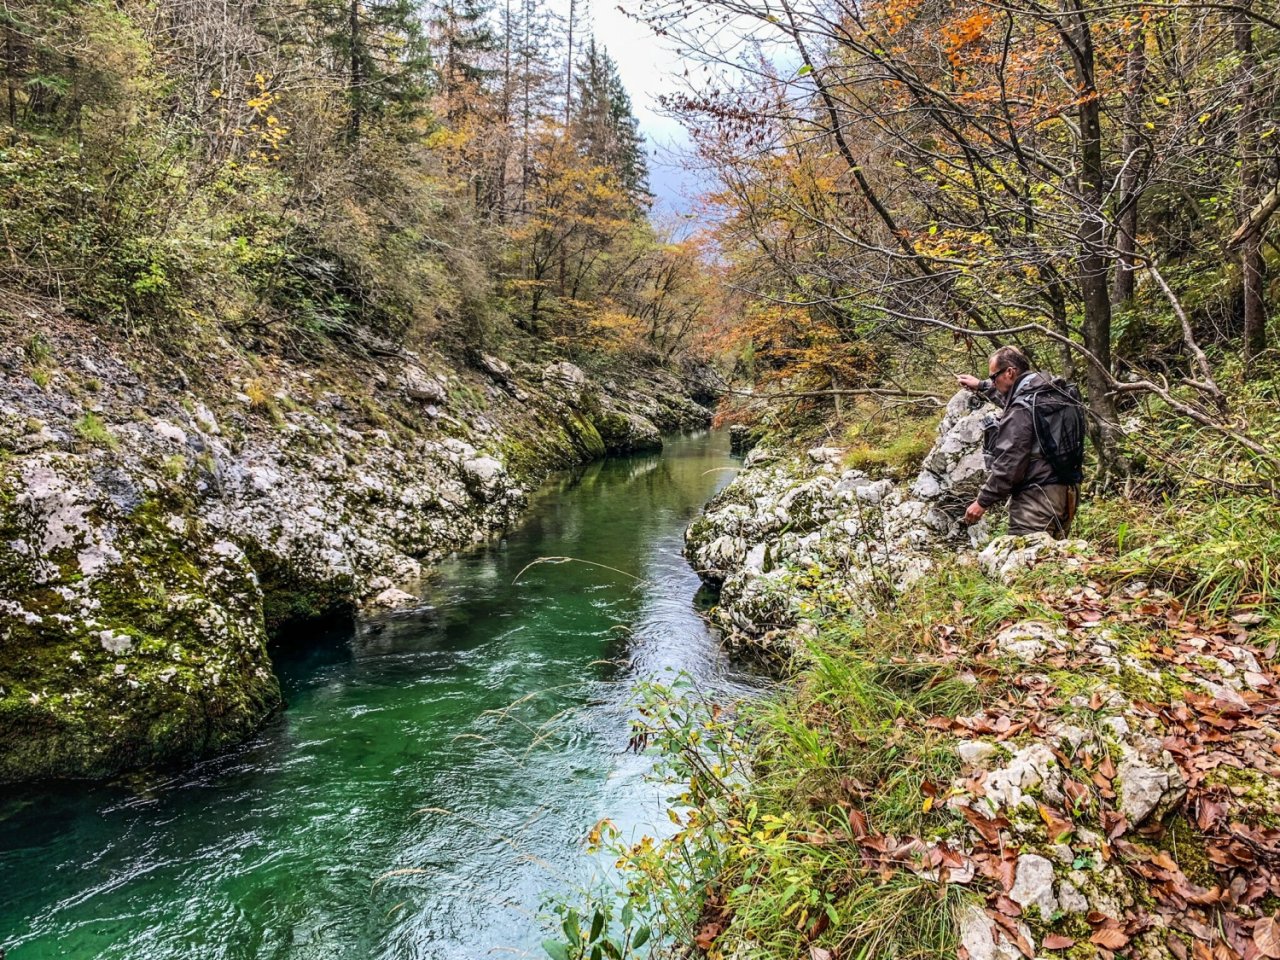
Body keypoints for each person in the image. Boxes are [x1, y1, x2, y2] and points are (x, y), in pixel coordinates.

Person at [956, 345, 1079, 538]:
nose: (992, 382)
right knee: (1055, 561)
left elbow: (1009, 464)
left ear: (1010, 372)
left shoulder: (1021, 409)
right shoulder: (1050, 391)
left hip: (1036, 501)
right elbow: (1017, 401)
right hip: (1066, 493)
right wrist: (981, 386)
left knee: (1029, 562)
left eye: (993, 377)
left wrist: (982, 502)